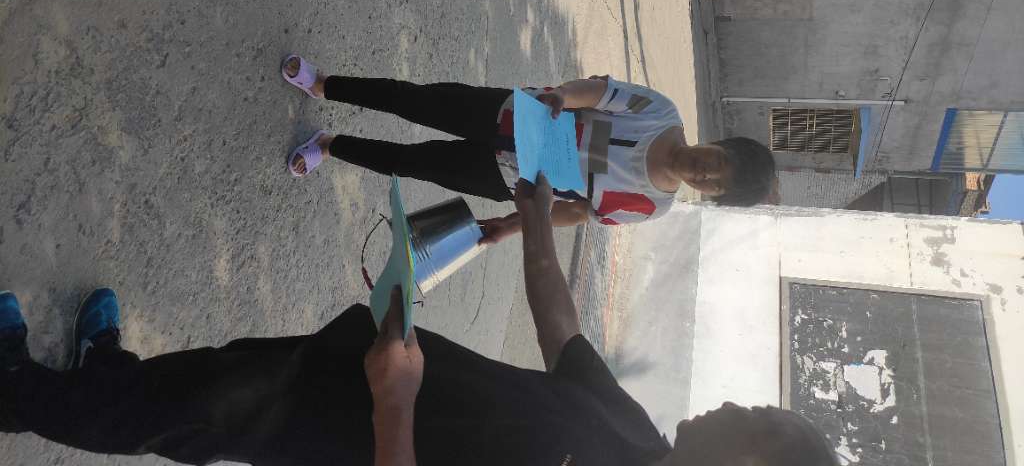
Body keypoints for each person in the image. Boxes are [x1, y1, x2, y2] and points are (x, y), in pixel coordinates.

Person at [0, 177, 838, 466]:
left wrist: (395, 402)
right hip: (350, 367)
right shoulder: (639, 436)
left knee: (177, 413)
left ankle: (19, 391)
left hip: (330, 430)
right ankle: (102, 372)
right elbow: (564, 336)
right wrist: (536, 221)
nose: (736, 404)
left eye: (756, 420)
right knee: (197, 380)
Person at [281, 56, 776, 242]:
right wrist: (562, 96)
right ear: (719, 144)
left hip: (507, 179)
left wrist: (515, 224)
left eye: (715, 186)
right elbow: (599, 91)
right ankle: (326, 85)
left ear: (710, 195)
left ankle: (330, 146)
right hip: (515, 116)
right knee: (414, 101)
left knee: (411, 164)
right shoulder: (661, 113)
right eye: (718, 162)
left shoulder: (651, 206)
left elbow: (578, 212)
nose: (705, 173)